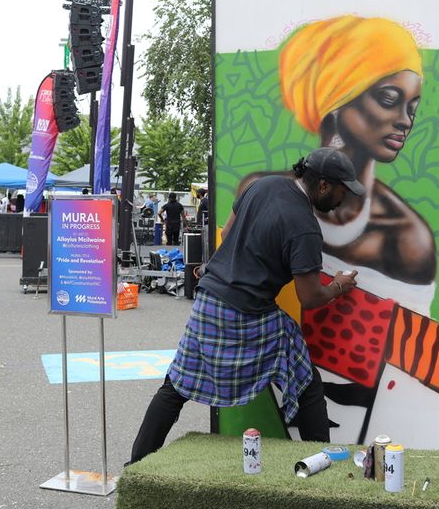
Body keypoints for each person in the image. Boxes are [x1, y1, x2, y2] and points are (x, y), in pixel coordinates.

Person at [235, 16, 439, 449]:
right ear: (337, 99)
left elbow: (408, 374)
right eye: (389, 99)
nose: (405, 121)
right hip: (256, 347)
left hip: (361, 415)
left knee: (181, 388)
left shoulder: (405, 238)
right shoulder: (265, 193)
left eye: (413, 108)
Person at [128, 148, 363, 464]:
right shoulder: (304, 226)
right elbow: (310, 297)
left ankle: (137, 464)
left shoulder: (263, 185)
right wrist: (338, 286)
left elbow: (227, 230)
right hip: (249, 312)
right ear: (322, 185)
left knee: (176, 385)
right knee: (306, 382)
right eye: (341, 190)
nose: (342, 199)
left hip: (209, 301)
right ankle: (319, 465)